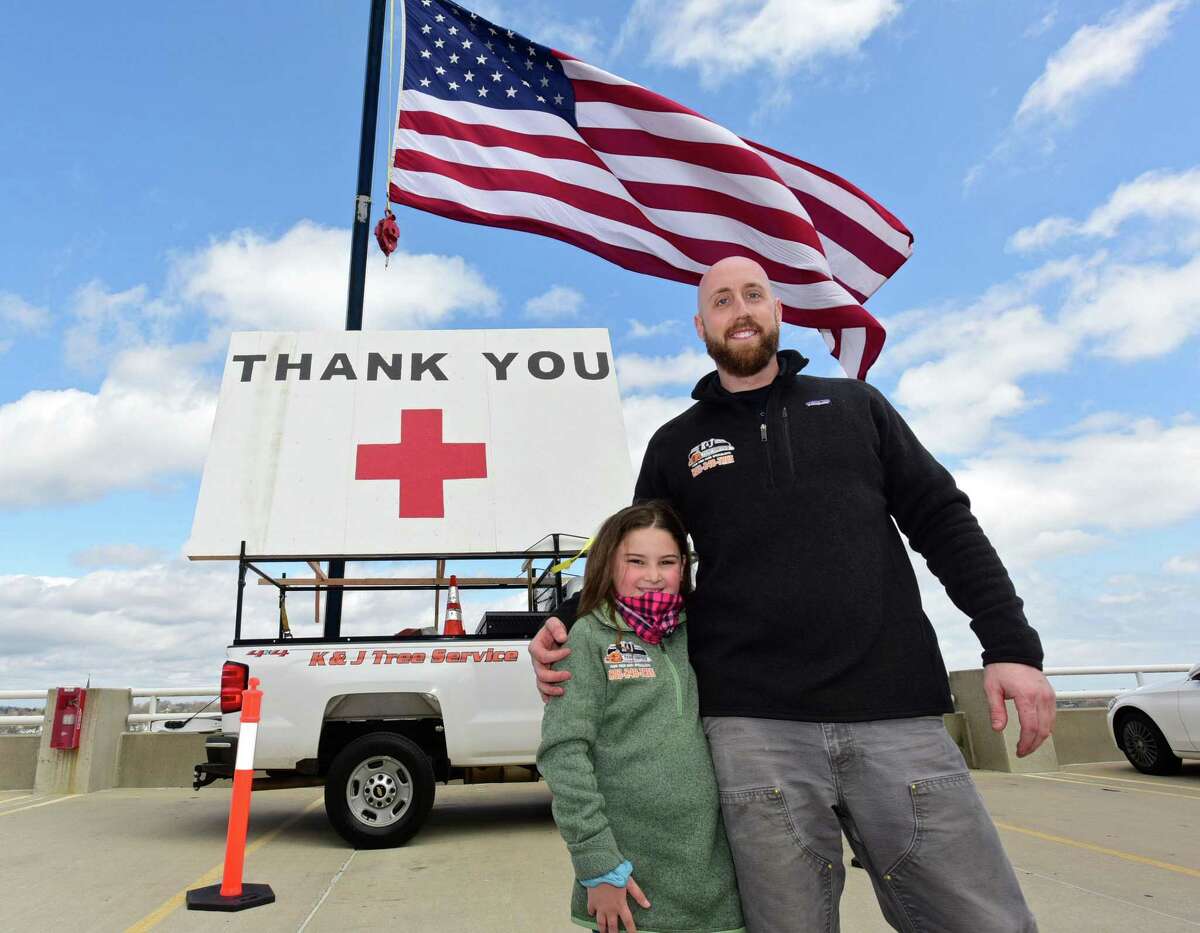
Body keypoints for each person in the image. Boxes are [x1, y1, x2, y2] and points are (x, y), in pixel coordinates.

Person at [533, 256, 1054, 932]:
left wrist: (1010, 644)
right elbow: (638, 553)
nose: (740, 309)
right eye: (722, 300)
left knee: (985, 921)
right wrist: (560, 619)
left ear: (777, 310)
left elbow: (943, 519)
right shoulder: (676, 442)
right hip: (756, 728)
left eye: (754, 294)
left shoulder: (857, 407)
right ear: (701, 325)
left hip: (894, 713)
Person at [537, 502, 744, 933]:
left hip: (714, 890)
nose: (653, 575)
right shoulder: (588, 637)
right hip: (626, 885)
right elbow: (563, 753)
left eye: (667, 562)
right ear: (609, 564)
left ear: (683, 567)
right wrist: (597, 864)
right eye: (636, 561)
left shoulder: (702, 634)